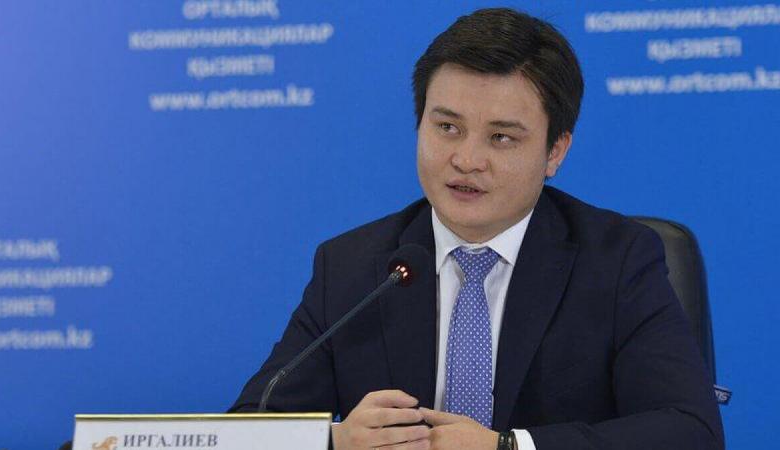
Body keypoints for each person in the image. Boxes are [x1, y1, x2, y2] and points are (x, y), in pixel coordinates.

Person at [230, 7, 724, 450]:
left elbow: (690, 432)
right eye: (447, 127)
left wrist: (510, 447)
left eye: (501, 137)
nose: (466, 160)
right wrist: (334, 442)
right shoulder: (352, 268)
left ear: (555, 151)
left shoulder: (617, 261)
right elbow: (245, 431)